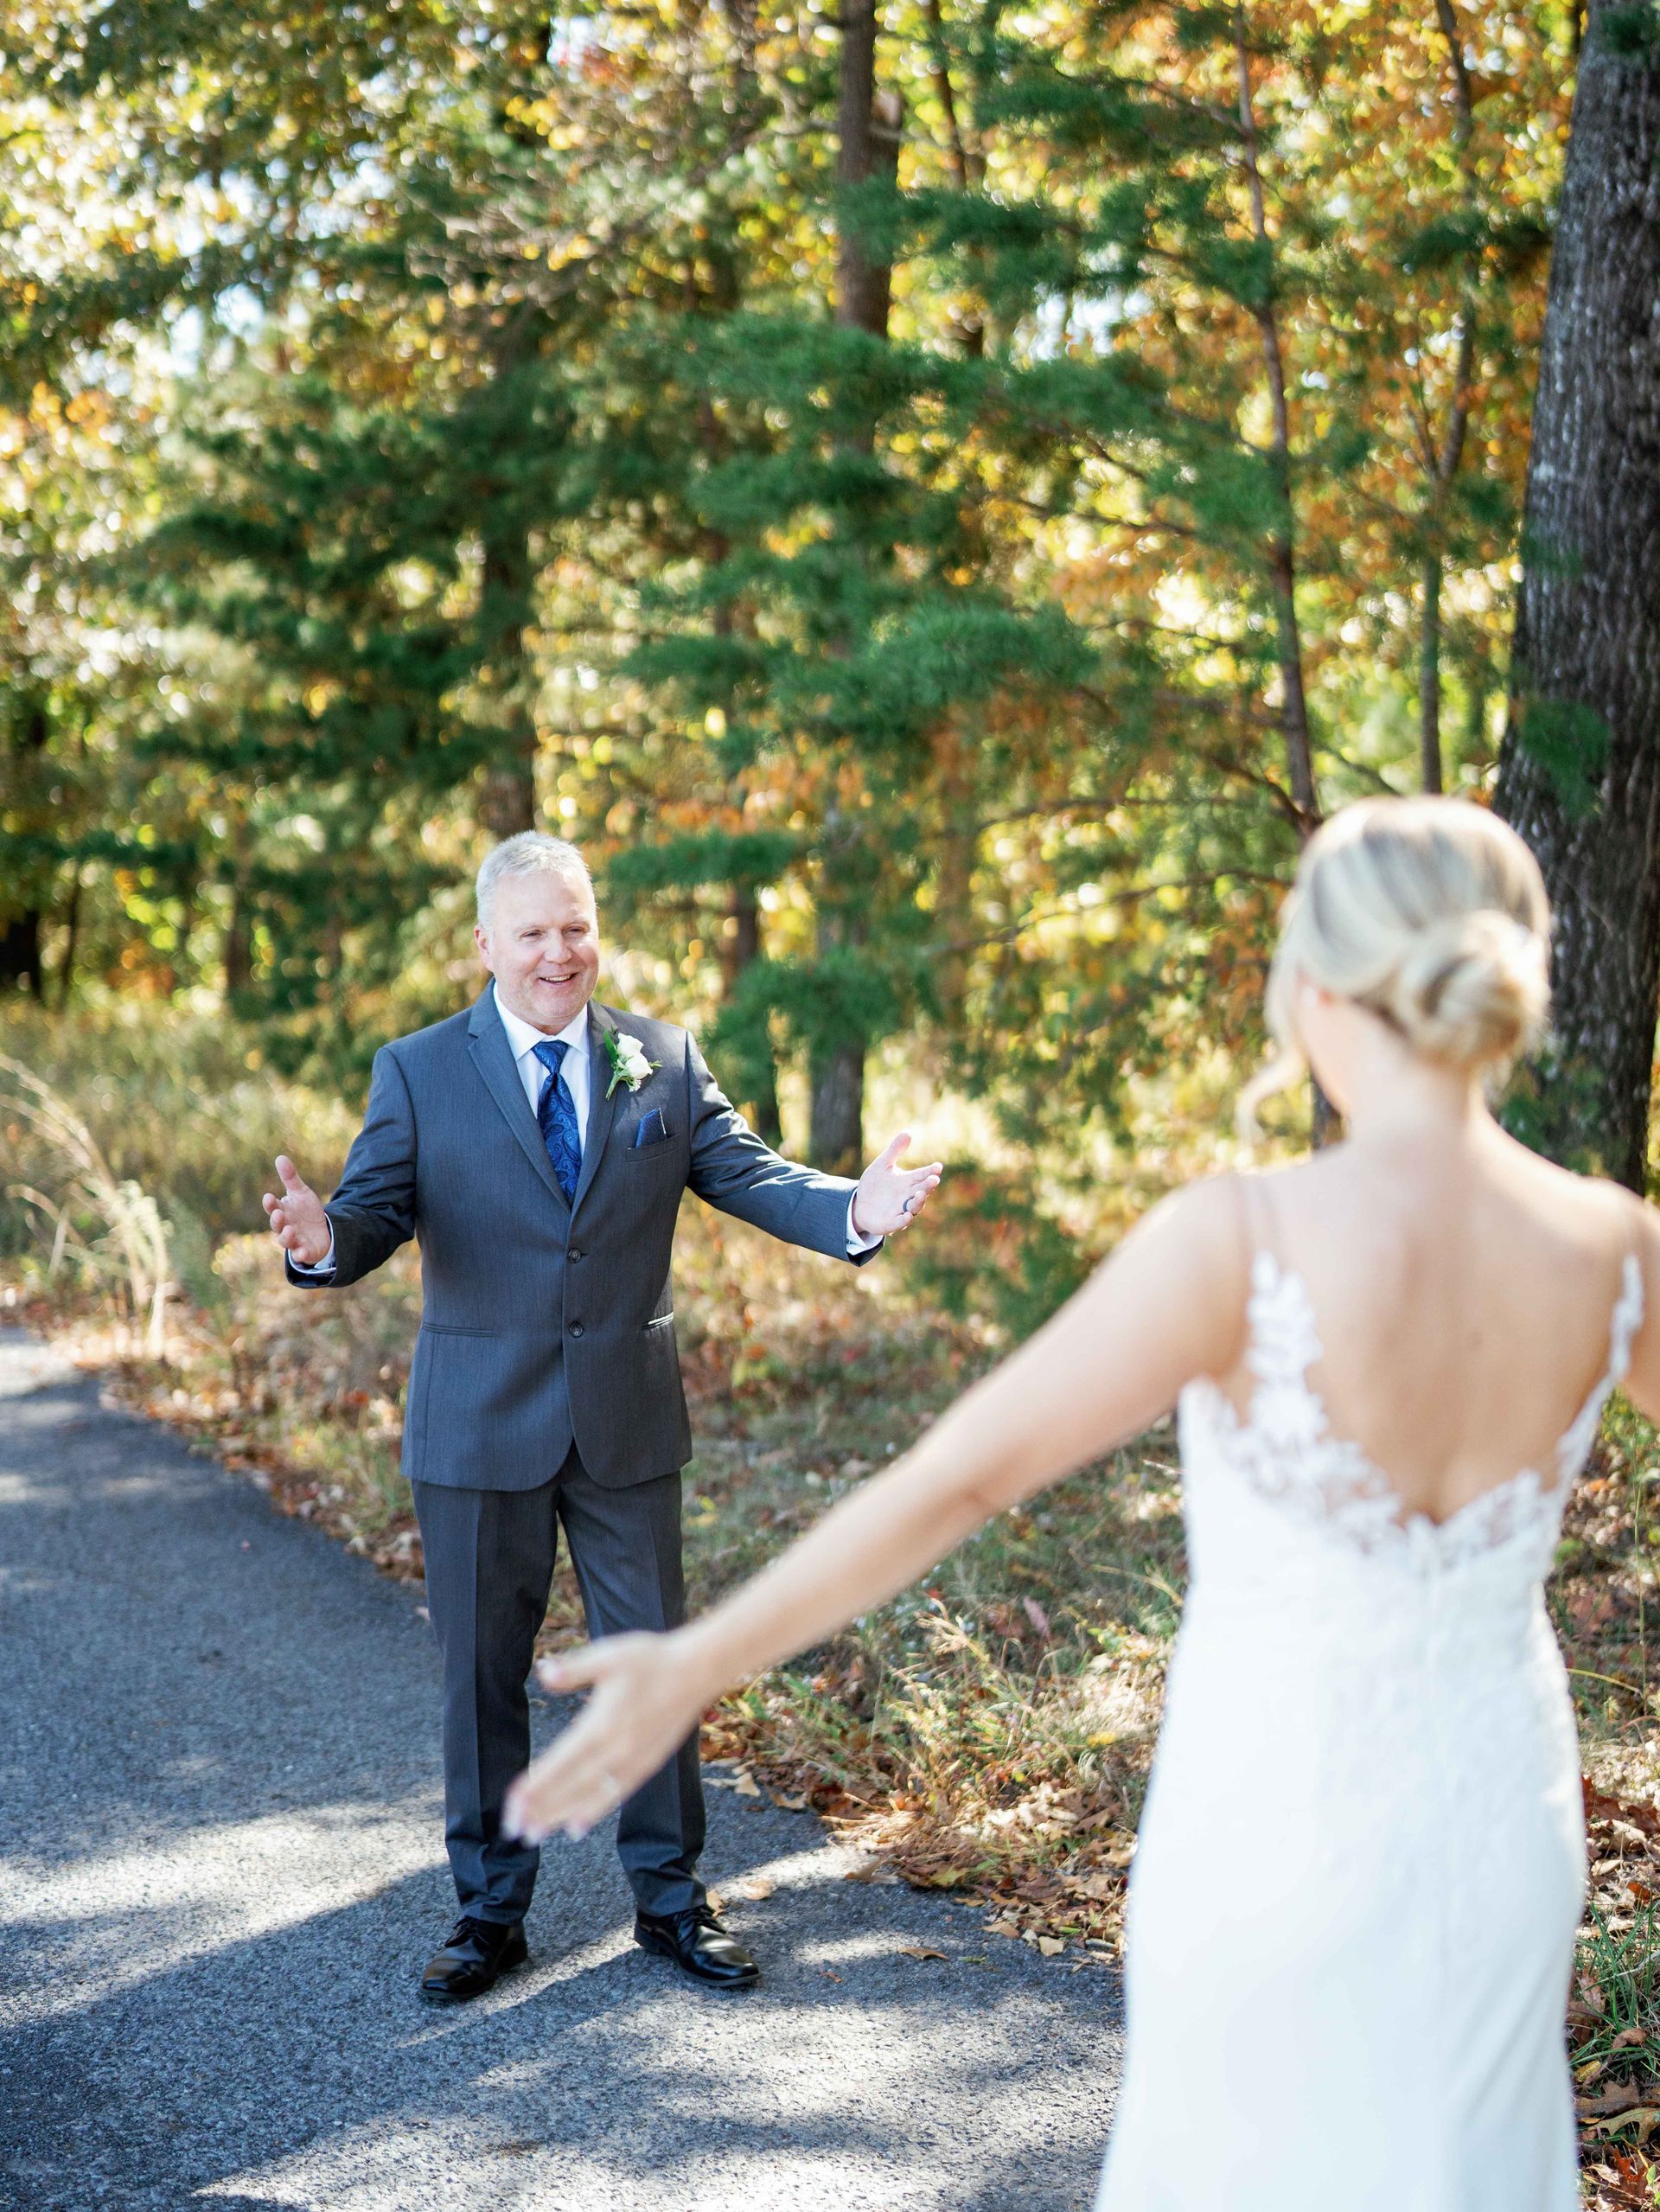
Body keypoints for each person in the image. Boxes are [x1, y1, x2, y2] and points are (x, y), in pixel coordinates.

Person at [503, 796, 1660, 2211]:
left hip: (1271, 1816)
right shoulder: (1617, 1250)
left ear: (1311, 987)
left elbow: (963, 1475)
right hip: (1502, 1824)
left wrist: (698, 1657)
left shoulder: (1241, 1240)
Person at [262, 831, 942, 2003]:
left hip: (627, 1419)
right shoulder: (420, 1071)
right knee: (482, 1675)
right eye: (531, 931)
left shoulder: (661, 1061)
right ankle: (489, 1913)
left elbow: (755, 1173)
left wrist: (856, 1210)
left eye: (575, 926)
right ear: (486, 945)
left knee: (657, 1666)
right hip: (477, 1429)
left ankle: (671, 1902)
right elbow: (369, 1210)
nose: (558, 952)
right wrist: (324, 1243)